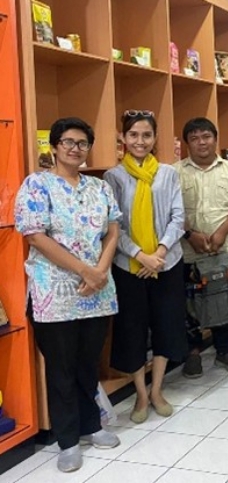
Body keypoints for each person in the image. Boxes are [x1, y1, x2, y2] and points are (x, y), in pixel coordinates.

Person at [14, 117, 122, 472]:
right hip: (54, 292)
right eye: (68, 142)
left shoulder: (99, 187)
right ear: (55, 146)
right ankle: (68, 440)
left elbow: (113, 229)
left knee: (87, 363)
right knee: (61, 368)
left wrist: (100, 270)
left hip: (97, 290)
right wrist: (84, 270)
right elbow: (35, 235)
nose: (76, 149)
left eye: (82, 143)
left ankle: (91, 425)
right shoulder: (37, 185)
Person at [104, 110, 188, 424]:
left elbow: (178, 217)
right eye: (134, 135)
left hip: (167, 262)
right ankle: (140, 393)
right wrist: (141, 255)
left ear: (154, 138)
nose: (140, 141)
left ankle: (157, 389)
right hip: (129, 266)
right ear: (123, 138)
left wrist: (159, 252)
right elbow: (114, 225)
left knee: (166, 325)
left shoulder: (168, 173)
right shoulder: (112, 177)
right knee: (132, 329)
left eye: (146, 135)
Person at [176, 117, 228, 377]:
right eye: (195, 138)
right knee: (188, 305)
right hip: (188, 252)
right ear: (187, 143)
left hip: (225, 249)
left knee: (227, 300)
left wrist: (221, 232)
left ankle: (225, 350)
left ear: (215, 139)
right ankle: (192, 353)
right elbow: (168, 210)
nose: (201, 142)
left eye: (206, 137)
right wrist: (190, 234)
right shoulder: (174, 172)